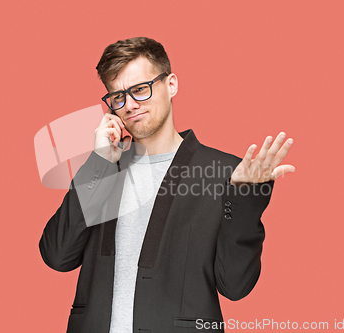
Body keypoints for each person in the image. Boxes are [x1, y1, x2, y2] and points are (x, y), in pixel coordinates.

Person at [39, 36, 295, 333]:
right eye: (118, 97)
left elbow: (235, 285)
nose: (130, 105)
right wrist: (99, 162)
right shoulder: (105, 170)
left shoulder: (226, 172)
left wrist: (244, 198)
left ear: (171, 84)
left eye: (140, 90)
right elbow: (57, 255)